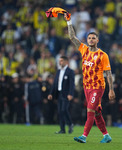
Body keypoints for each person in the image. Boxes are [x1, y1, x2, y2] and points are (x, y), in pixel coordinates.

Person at [64, 13, 115, 143]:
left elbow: (108, 73)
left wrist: (111, 90)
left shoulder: (103, 55)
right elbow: (72, 37)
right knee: (97, 113)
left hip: (98, 87)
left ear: (97, 40)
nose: (91, 40)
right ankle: (106, 135)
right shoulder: (84, 50)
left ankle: (84, 136)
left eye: (93, 38)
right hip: (86, 86)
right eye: (89, 38)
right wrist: (69, 21)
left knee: (90, 110)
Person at [48, 56, 75, 134]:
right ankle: (62, 129)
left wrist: (71, 94)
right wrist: (51, 93)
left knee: (64, 110)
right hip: (59, 94)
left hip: (66, 94)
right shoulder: (58, 71)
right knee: (60, 111)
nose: (60, 62)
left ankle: (70, 124)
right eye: (59, 61)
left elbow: (71, 84)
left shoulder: (70, 71)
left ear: (66, 62)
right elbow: (55, 84)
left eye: (62, 61)